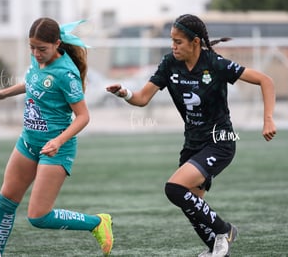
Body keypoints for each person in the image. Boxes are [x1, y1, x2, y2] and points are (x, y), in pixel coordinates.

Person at [106, 14, 276, 257]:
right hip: (192, 144)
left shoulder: (215, 63)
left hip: (220, 142)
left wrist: (268, 118)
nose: (173, 46)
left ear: (195, 42)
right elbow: (142, 98)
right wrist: (124, 93)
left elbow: (265, 80)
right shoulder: (169, 64)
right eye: (172, 41)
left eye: (178, 42)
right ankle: (217, 250)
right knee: (191, 204)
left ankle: (225, 230)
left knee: (174, 188)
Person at [0, 17, 113, 256]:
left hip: (57, 148)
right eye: (32, 47)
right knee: (6, 201)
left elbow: (83, 116)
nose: (36, 53)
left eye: (42, 49)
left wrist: (58, 141)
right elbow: (32, 83)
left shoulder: (66, 74)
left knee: (38, 216)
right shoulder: (36, 59)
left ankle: (96, 222)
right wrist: (3, 94)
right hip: (27, 143)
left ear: (56, 44)